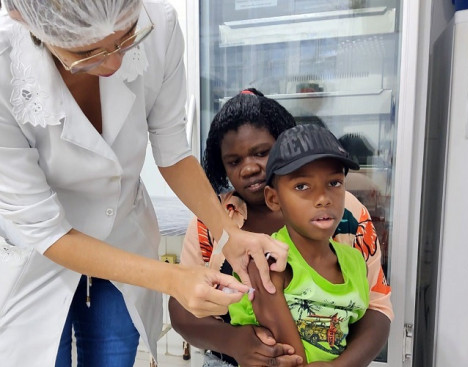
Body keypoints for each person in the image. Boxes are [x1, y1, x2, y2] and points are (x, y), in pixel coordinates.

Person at [0, 2, 287, 367]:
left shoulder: (160, 21)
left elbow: (173, 151)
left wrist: (228, 232)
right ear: (25, 21)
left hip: (123, 230)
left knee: (113, 356)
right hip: (39, 253)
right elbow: (46, 230)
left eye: (127, 36)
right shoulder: (4, 63)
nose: (114, 63)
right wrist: (173, 279)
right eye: (86, 53)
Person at [169, 89, 393, 367]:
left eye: (262, 152)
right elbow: (182, 306)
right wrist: (234, 342)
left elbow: (377, 306)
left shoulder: (345, 212)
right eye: (234, 161)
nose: (249, 168)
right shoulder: (210, 221)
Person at [229, 123, 370, 364]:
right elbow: (291, 359)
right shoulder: (266, 263)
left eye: (334, 183)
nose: (323, 198)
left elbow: (355, 334)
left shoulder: (354, 262)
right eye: (302, 186)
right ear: (274, 199)